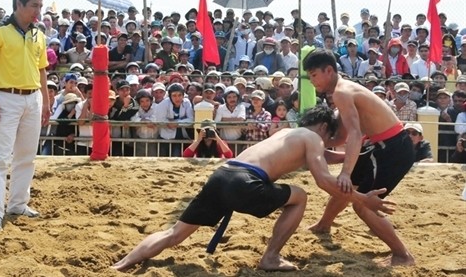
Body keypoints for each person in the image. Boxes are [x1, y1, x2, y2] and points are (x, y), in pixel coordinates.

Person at [111, 106, 396, 272]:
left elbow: (325, 157)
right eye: (331, 134)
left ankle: (124, 264)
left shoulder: (286, 133)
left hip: (223, 175)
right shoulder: (313, 138)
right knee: (300, 197)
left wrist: (353, 155)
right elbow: (323, 179)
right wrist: (361, 199)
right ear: (323, 127)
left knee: (174, 233)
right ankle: (270, 256)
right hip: (246, 181)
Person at [303, 49, 415, 266]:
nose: (312, 81)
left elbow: (354, 134)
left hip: (392, 149)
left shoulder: (342, 93)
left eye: (314, 75)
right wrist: (313, 143)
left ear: (328, 70)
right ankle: (324, 224)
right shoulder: (343, 91)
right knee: (348, 186)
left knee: (363, 204)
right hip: (380, 145)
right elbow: (341, 137)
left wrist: (344, 171)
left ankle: (403, 255)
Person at [0, 0, 50, 231]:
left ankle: (18, 204)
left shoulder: (39, 34)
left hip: (33, 98)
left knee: (27, 157)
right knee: (0, 158)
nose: (38, 11)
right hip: (6, 98)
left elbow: (42, 70)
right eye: (34, 5)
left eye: (40, 6)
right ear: (18, 4)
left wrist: (46, 102)